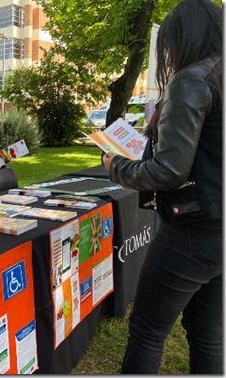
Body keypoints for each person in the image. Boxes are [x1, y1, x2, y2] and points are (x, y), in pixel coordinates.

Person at [102, 0, 222, 374]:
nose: (167, 53)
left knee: (147, 331)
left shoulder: (191, 80)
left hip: (191, 228)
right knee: (208, 334)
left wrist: (116, 166)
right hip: (218, 228)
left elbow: (169, 171)